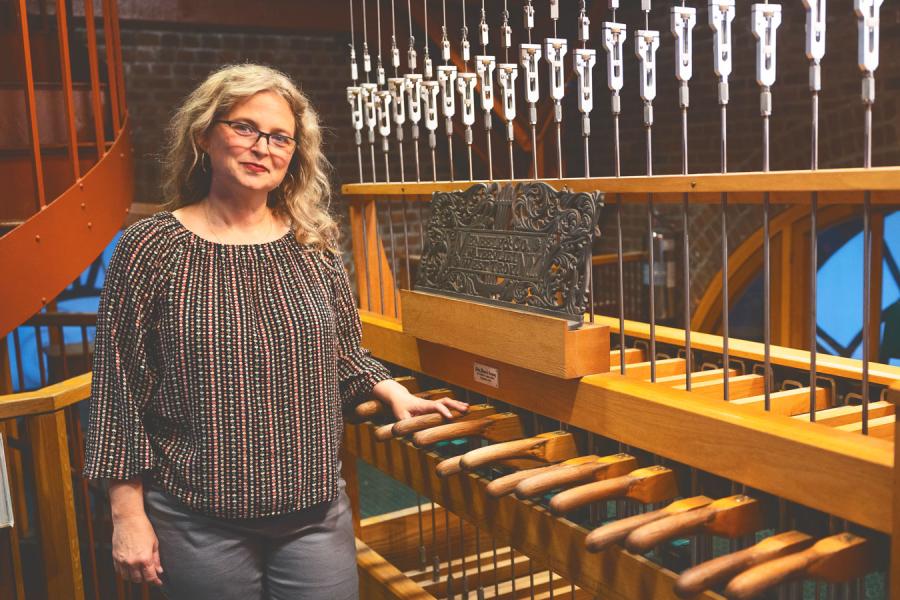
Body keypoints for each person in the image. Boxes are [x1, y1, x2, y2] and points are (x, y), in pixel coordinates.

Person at [83, 63, 468, 600]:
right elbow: (117, 391)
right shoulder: (151, 247)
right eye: (245, 128)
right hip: (199, 517)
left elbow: (343, 353)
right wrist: (127, 515)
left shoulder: (315, 242)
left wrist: (390, 389)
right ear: (204, 135)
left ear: (294, 154)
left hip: (314, 510)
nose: (263, 146)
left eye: (281, 137)